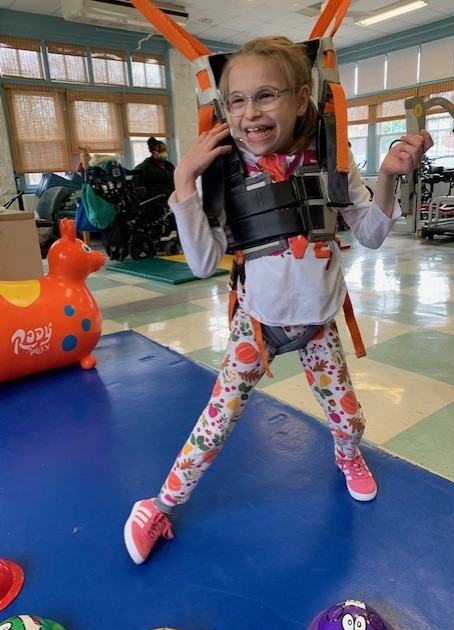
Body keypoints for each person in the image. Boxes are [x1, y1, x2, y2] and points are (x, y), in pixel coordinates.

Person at [124, 36, 432, 565]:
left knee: (349, 419)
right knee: (215, 422)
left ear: (302, 97)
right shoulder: (222, 173)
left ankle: (347, 456)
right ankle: (159, 504)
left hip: (317, 325)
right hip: (257, 327)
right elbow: (201, 263)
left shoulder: (333, 160)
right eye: (236, 100)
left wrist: (386, 177)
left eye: (266, 95)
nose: (250, 112)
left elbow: (375, 233)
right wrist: (182, 182)